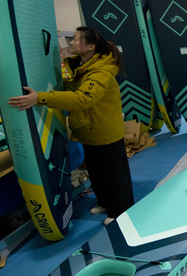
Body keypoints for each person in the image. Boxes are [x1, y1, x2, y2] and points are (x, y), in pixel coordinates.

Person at [8, 26, 134, 226]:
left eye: (76, 39)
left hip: (105, 131)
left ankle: (121, 209)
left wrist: (40, 98)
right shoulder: (78, 66)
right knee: (97, 172)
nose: (71, 42)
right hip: (88, 129)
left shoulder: (100, 72)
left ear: (90, 46)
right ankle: (105, 202)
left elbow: (83, 99)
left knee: (114, 174)